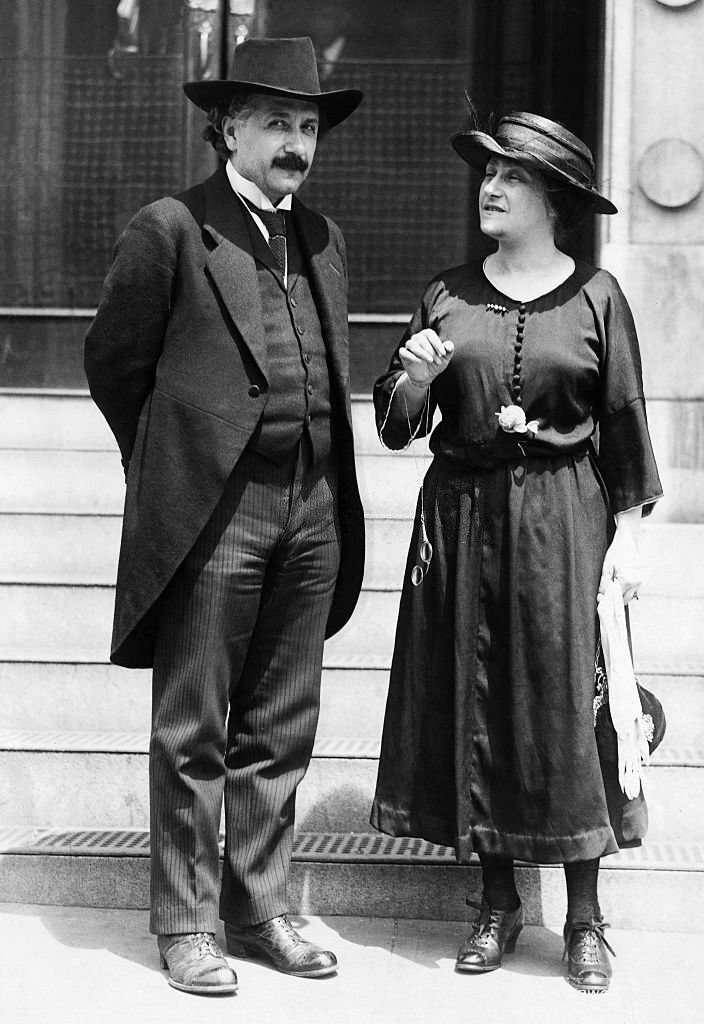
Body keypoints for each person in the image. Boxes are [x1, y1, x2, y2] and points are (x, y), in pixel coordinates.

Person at [84, 37, 365, 996]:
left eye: (308, 126)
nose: (296, 142)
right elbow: (115, 366)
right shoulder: (170, 228)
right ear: (227, 128)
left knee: (280, 727)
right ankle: (184, 923)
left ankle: (261, 907)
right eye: (277, 122)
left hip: (315, 507)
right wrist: (170, 465)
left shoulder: (322, 240)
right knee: (194, 725)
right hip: (216, 507)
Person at [369, 112, 663, 995]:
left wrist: (630, 535)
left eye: (511, 177)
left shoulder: (597, 296)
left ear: (555, 200)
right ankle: (495, 905)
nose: (489, 188)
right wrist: (415, 380)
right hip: (461, 518)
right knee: (475, 698)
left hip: (567, 522)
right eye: (488, 173)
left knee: (570, 705)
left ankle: (582, 918)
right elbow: (394, 422)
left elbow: (622, 421)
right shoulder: (446, 293)